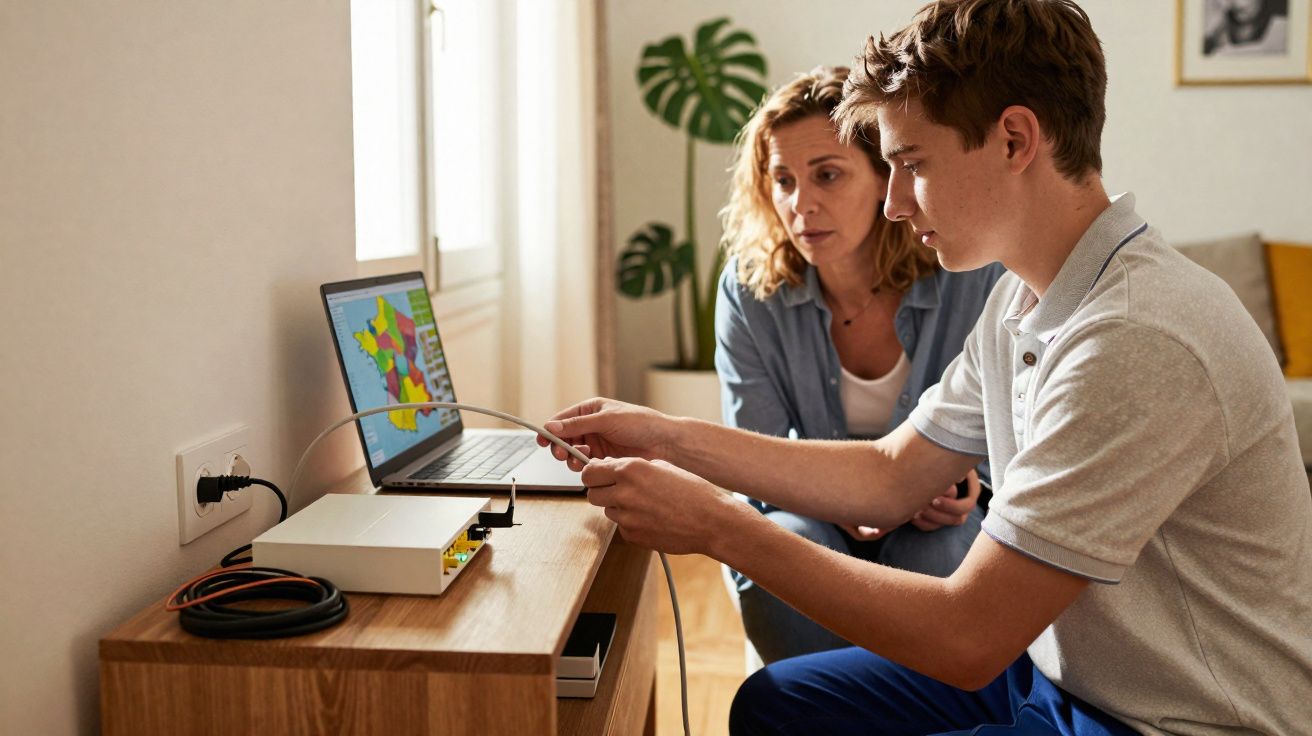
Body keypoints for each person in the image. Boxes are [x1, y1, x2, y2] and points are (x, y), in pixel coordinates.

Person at [541, 0, 1312, 733]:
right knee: (775, 703)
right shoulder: (1024, 297)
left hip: (1163, 720)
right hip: (1056, 674)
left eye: (912, 164)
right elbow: (888, 470)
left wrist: (717, 525)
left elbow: (967, 636)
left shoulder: (1139, 338)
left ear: (1015, 140)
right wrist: (665, 437)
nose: (895, 204)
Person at [715, 65, 1004, 664]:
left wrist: (964, 485)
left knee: (945, 555)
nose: (801, 204)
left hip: (935, 513)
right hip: (809, 506)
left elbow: (1013, 437)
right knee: (780, 553)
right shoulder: (749, 292)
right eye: (783, 181)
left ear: (884, 178)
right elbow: (754, 453)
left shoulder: (968, 275)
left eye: (827, 175)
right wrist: (845, 498)